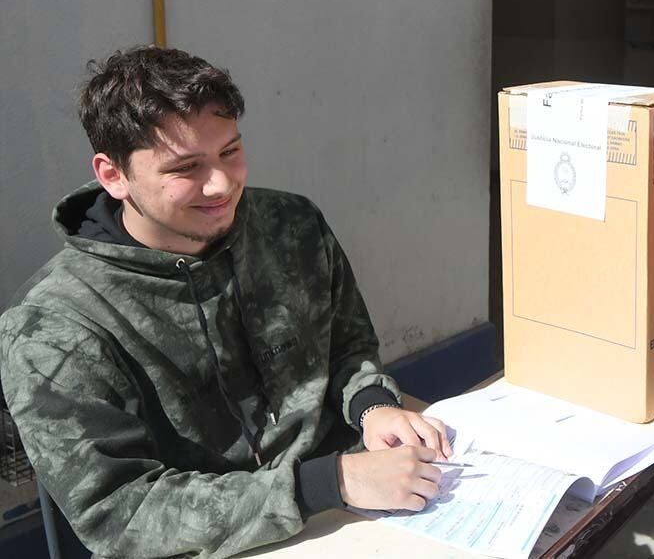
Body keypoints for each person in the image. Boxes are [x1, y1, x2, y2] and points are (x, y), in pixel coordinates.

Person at [0, 46, 453, 558]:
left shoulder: (291, 226)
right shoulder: (52, 325)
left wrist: (372, 406)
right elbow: (119, 514)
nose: (220, 185)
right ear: (113, 174)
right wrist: (328, 483)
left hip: (358, 516)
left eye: (230, 152)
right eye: (185, 167)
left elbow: (348, 345)